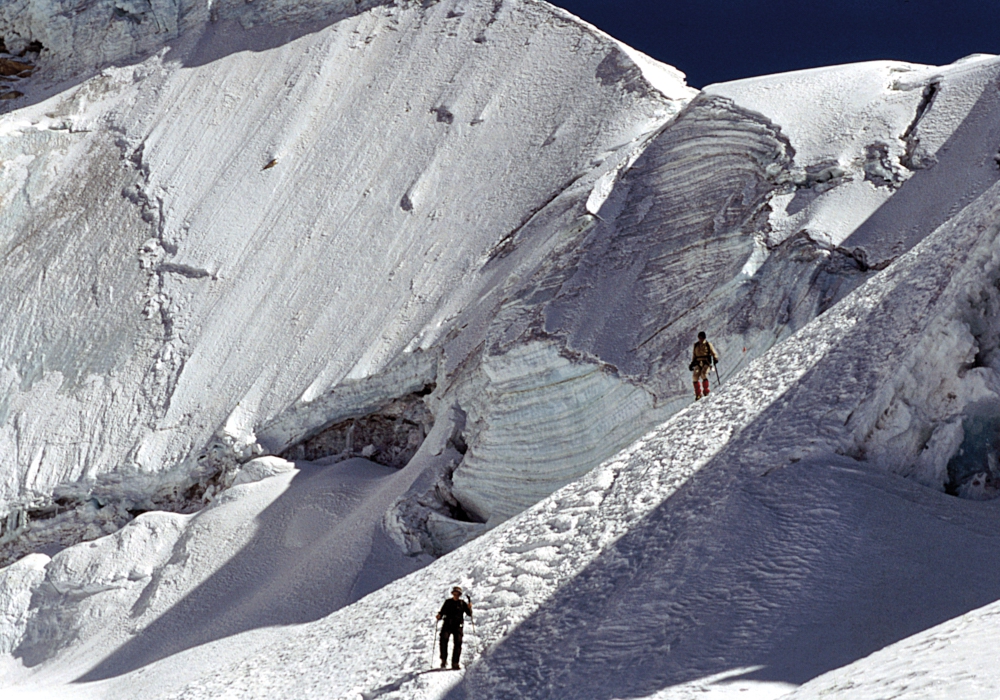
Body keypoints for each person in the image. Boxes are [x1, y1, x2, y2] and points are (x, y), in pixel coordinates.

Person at [436, 586, 473, 669]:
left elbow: (469, 614)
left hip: (457, 626)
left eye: (457, 594)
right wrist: (439, 615)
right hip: (447, 624)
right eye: (455, 594)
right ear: (452, 594)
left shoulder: (462, 603)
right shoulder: (448, 602)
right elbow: (442, 612)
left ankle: (455, 663)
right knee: (443, 639)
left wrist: (469, 608)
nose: (456, 595)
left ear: (459, 595)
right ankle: (444, 660)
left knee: (458, 642)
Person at [688, 331, 719, 400]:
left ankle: (706, 391)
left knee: (703, 375)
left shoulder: (708, 344)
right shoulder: (696, 345)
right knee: (695, 376)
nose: (701, 339)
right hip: (698, 362)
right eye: (700, 337)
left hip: (706, 362)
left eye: (702, 338)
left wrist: (715, 358)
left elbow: (713, 352)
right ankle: (698, 394)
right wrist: (692, 363)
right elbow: (694, 355)